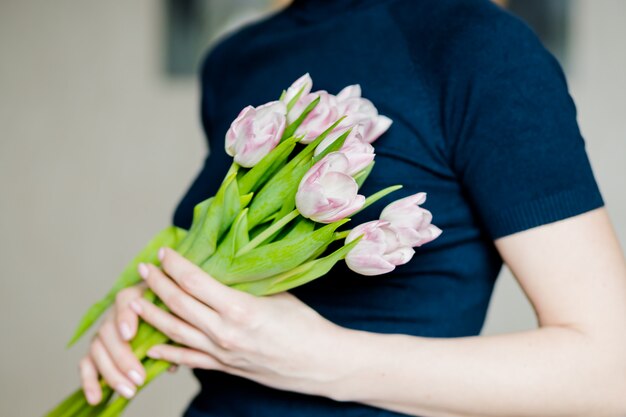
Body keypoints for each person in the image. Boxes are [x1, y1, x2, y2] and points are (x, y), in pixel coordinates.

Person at [78, 0, 626, 416]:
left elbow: (609, 372)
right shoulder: (235, 58)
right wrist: (161, 309)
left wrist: (325, 360)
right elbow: (237, 264)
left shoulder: (477, 46)